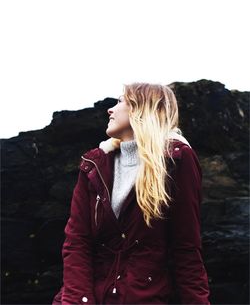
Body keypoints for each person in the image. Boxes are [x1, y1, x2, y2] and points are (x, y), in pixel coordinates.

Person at [52, 83, 210, 304]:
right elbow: (77, 241)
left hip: (144, 297)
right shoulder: (94, 164)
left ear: (142, 108)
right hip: (85, 298)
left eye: (120, 101)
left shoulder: (177, 161)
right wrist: (77, 300)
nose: (110, 109)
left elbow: (185, 246)